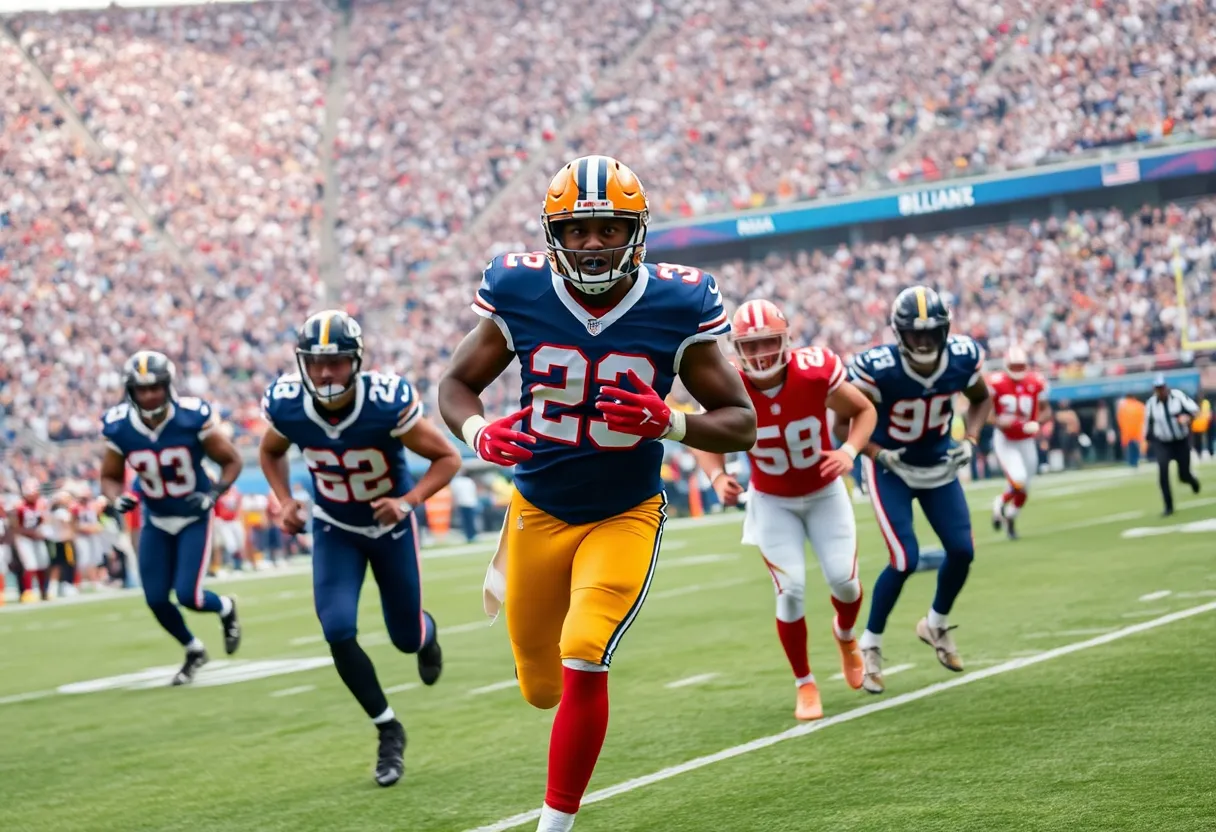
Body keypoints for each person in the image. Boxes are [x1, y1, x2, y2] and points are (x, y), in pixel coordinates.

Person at [438, 155, 756, 832]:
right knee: (538, 685)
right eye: (576, 231)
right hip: (537, 510)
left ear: (635, 231)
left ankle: (555, 826)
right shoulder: (519, 289)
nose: (590, 244)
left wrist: (671, 421)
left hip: (624, 511)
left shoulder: (678, 302)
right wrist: (478, 431)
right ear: (553, 233)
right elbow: (455, 385)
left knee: (584, 646)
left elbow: (742, 423)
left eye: (606, 229)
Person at [260, 310, 460, 787]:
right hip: (334, 527)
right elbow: (270, 451)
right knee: (337, 627)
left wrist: (408, 502)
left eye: (336, 362)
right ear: (302, 363)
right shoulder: (288, 405)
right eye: (316, 363)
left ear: (357, 362)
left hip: (388, 527)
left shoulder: (385, 403)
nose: (326, 373)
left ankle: (426, 634)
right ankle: (387, 728)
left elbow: (447, 458)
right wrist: (285, 501)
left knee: (405, 637)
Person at [691, 298, 877, 721]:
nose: (759, 354)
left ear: (786, 339)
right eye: (750, 346)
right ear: (736, 348)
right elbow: (703, 436)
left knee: (845, 583)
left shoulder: (814, 371)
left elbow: (863, 410)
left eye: (768, 342)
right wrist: (718, 478)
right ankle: (804, 682)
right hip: (772, 500)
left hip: (825, 491)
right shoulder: (728, 384)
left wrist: (849, 450)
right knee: (789, 590)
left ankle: (845, 635)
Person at [840, 286, 993, 694]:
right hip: (890, 467)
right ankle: (870, 643)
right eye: (915, 334)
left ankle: (936, 624)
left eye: (931, 333)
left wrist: (971, 439)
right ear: (898, 333)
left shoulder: (963, 356)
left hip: (938, 462)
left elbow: (981, 397)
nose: (923, 341)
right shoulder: (879, 367)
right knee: (904, 558)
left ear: (945, 331)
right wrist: (875, 452)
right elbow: (842, 420)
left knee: (963, 550)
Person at [100, 351, 244, 685]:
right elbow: (109, 476)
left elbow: (232, 460)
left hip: (194, 515)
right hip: (157, 517)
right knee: (154, 598)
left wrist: (213, 494)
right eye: (142, 389)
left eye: (156, 387)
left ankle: (225, 607)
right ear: (130, 391)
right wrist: (115, 497)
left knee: (189, 596)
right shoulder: (120, 426)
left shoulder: (191, 418)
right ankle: (193, 649)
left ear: (168, 387)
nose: (149, 395)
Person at [987, 345, 1050, 539]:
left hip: (1026, 441)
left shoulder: (1035, 381)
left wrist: (1035, 423)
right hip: (1006, 440)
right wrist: (999, 422)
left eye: (1019, 365)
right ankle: (999, 503)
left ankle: (1011, 516)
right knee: (1019, 479)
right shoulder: (996, 382)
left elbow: (1047, 411)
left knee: (1025, 486)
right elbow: (986, 414)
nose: (1016, 370)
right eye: (1013, 365)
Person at [1142, 374, 1201, 516]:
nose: (1160, 391)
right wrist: (1149, 442)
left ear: (1166, 387)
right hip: (1163, 442)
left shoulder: (1178, 397)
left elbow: (1195, 410)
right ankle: (1168, 506)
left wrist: (1187, 418)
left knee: (1183, 474)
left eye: (1162, 388)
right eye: (1157, 389)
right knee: (1163, 471)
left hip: (1180, 440)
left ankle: (1192, 481)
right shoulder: (1151, 404)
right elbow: (1148, 425)